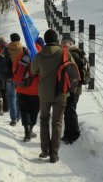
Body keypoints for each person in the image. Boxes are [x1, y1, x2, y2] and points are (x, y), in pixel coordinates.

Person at [30, 29, 73, 163]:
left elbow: (33, 70)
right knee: (57, 122)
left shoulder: (39, 55)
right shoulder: (64, 53)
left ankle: (45, 150)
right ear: (56, 39)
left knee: (43, 120)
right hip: (61, 93)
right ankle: (54, 154)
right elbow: (72, 69)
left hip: (44, 93)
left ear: (46, 40)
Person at [61, 35, 89, 144]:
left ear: (68, 44)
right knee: (69, 110)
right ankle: (68, 134)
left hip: (71, 88)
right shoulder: (79, 53)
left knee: (69, 110)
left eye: (63, 44)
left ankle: (74, 134)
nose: (62, 46)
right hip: (77, 88)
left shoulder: (71, 54)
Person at [12, 43, 40, 142]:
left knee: (24, 110)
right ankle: (31, 129)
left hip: (21, 89)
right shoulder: (40, 55)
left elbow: (14, 69)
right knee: (34, 111)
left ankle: (27, 132)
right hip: (36, 91)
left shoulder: (22, 54)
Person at [6, 33, 23, 126]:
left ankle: (13, 119)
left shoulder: (7, 49)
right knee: (19, 97)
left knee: (11, 97)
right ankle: (18, 116)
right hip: (20, 76)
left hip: (9, 76)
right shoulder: (23, 49)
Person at [0, 36, 10, 113]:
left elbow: (0, 62)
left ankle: (5, 108)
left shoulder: (2, 50)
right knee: (6, 91)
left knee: (3, 91)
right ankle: (6, 107)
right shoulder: (8, 47)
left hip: (3, 73)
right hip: (9, 72)